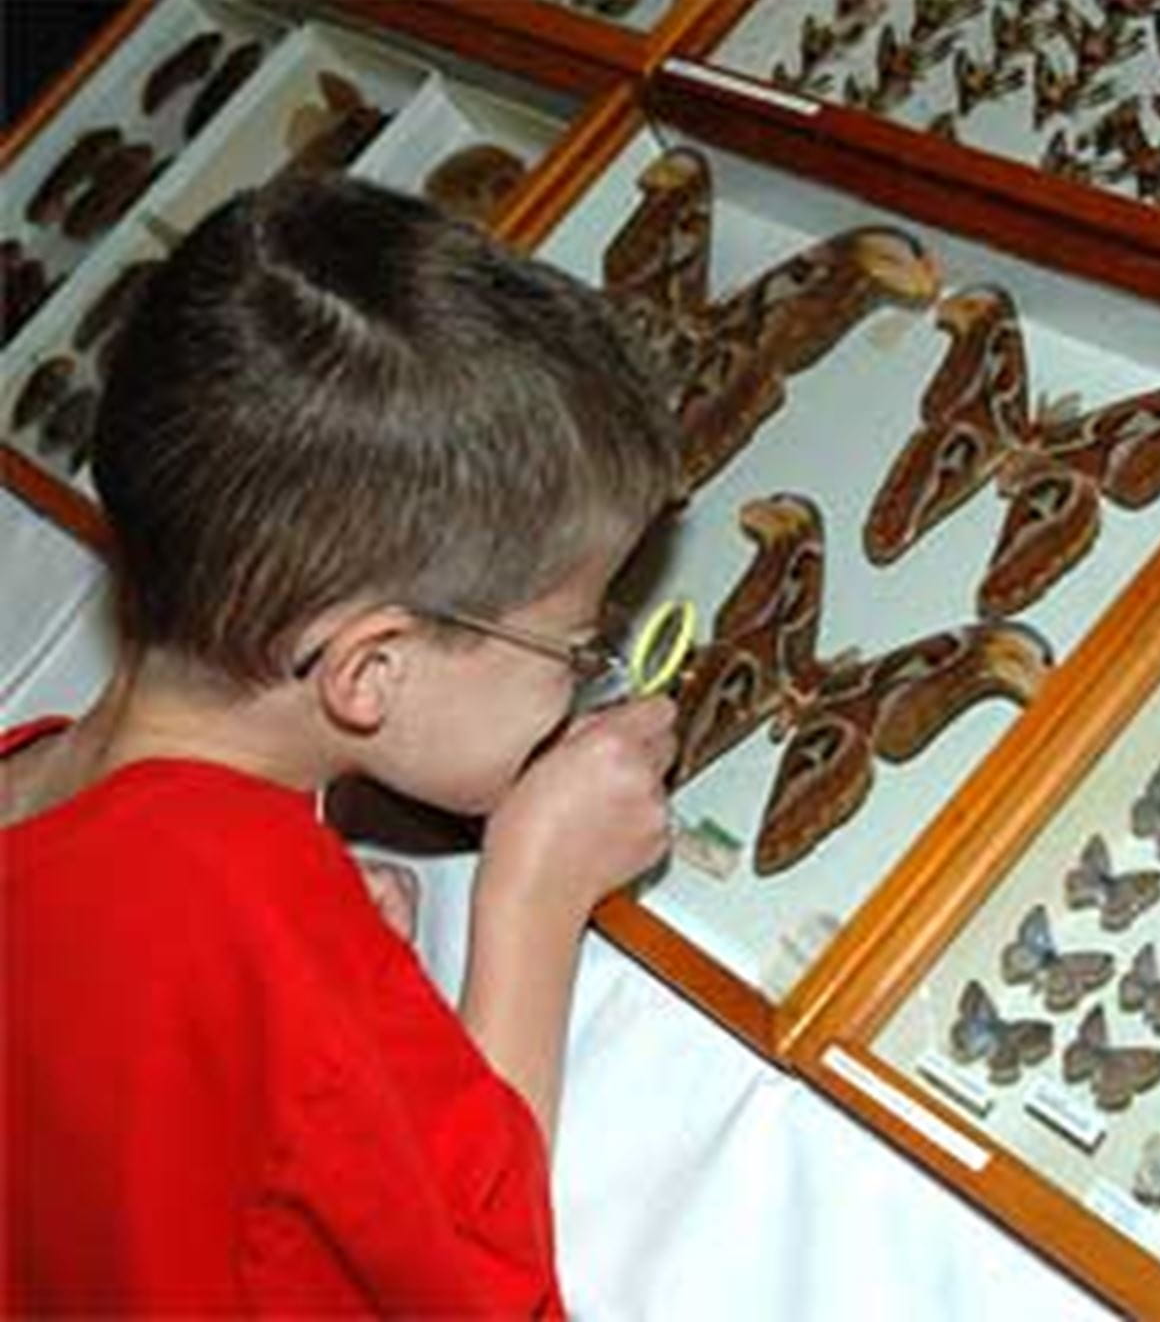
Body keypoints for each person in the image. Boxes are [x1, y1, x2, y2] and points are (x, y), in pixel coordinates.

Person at [3, 173, 681, 1315]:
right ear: (371, 671)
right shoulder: (247, 916)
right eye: (573, 645)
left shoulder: (39, 775)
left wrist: (301, 985)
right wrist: (535, 893)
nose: (586, 668)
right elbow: (479, 1288)